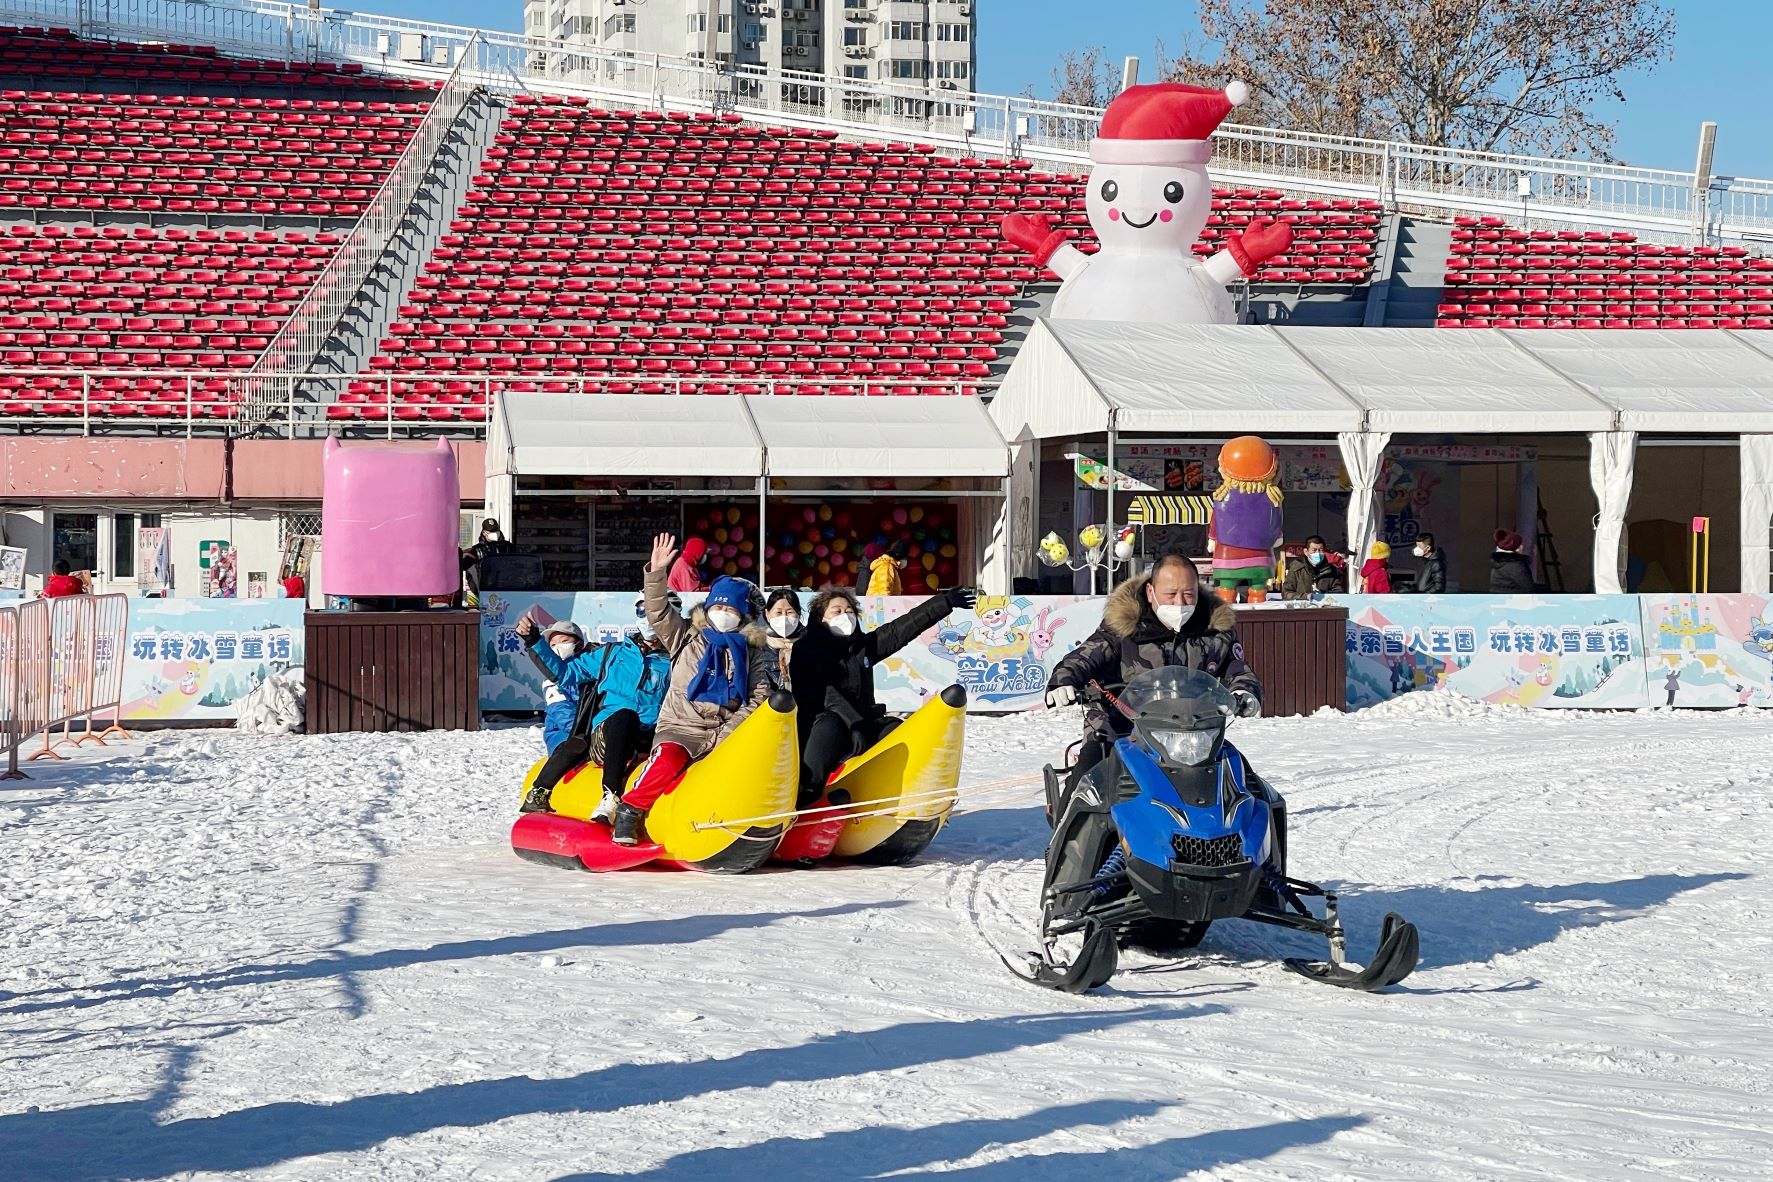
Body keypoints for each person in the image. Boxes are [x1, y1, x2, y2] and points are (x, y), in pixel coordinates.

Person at [1044, 552, 1261, 798]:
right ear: (1150, 592)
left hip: (1192, 735)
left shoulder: (1215, 631)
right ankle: (1066, 832)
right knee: (1088, 782)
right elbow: (1084, 657)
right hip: (1119, 729)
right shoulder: (1122, 628)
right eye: (1170, 594)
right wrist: (1063, 681)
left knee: (1247, 785)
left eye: (1189, 594)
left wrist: (1245, 692)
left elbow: (1236, 668)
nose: (1180, 603)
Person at [613, 534, 775, 846]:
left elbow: (757, 696)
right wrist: (657, 573)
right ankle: (630, 809)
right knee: (668, 761)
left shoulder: (751, 650)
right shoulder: (686, 636)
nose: (723, 614)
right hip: (681, 728)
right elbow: (658, 611)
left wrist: (729, 732)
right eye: (718, 607)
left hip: (725, 731)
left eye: (732, 610)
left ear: (743, 615)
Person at [789, 582, 975, 807]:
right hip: (824, 721)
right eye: (836, 611)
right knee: (830, 724)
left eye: (849, 611)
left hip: (864, 720)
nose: (844, 615)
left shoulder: (862, 647)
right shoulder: (806, 649)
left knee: (898, 732)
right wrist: (854, 724)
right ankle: (808, 793)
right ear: (821, 618)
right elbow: (827, 695)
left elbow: (901, 629)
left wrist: (944, 602)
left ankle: (903, 796)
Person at [518, 605, 673, 821]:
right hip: (607, 736)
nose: (649, 621)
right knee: (624, 715)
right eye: (643, 613)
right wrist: (534, 641)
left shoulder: (674, 661)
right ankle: (611, 795)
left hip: (649, 736)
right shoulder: (612, 653)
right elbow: (565, 673)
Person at [461, 518, 514, 601]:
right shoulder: (476, 550)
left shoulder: (508, 547)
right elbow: (462, 566)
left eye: (496, 530)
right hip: (485, 593)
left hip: (507, 592)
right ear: (484, 533)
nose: (495, 533)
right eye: (491, 531)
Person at [761, 588, 803, 690]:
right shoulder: (757, 647)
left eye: (789, 612)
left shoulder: (811, 644)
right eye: (778, 613)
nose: (784, 617)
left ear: (798, 613)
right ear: (767, 614)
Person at [1279, 535, 1345, 599]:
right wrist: (1305, 596)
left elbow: (1338, 593)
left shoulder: (1331, 570)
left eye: (1321, 550)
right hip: (1301, 607)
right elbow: (1286, 593)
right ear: (1306, 552)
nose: (1318, 553)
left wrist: (1322, 595)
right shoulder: (1297, 568)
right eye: (1314, 550)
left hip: (1324, 608)